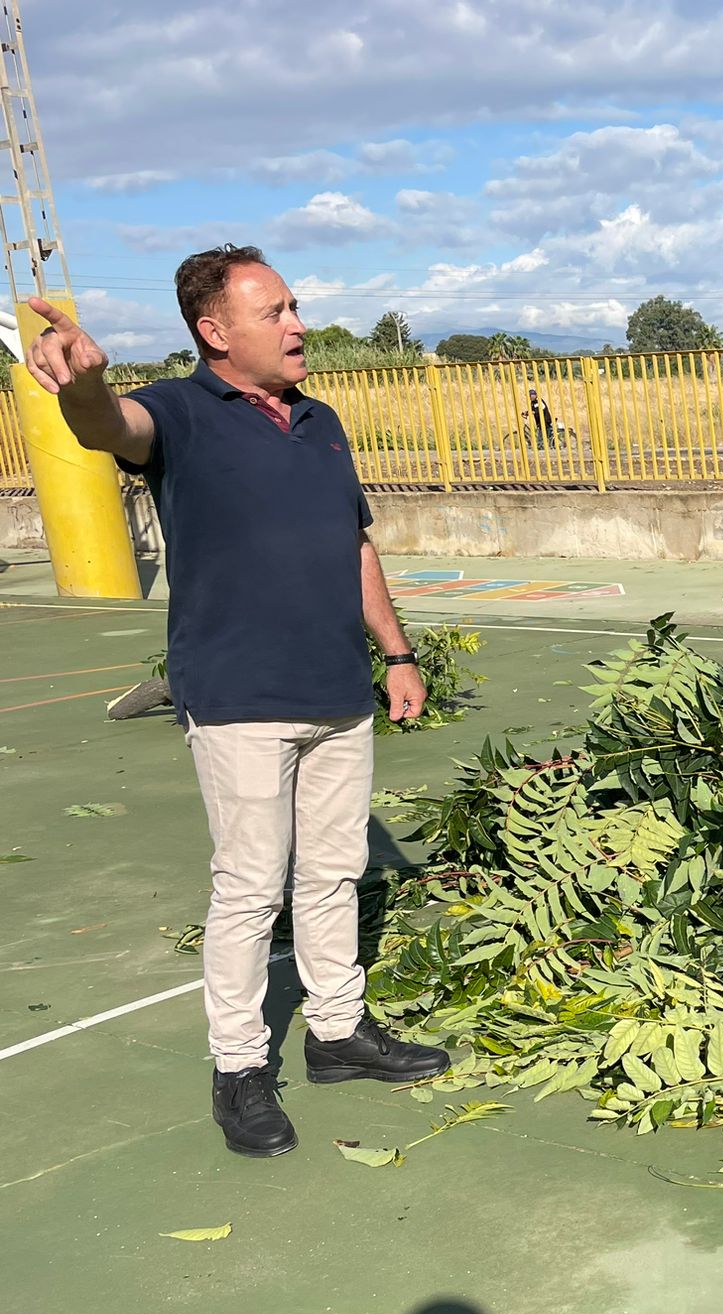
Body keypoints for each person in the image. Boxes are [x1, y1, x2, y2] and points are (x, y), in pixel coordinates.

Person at [24, 244, 451, 1155]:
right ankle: (241, 1070)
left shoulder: (323, 421)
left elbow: (355, 546)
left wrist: (399, 653)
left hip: (338, 689)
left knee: (335, 874)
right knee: (252, 888)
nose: (298, 326)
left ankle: (338, 1034)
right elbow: (108, 429)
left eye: (294, 306)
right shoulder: (177, 413)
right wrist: (85, 384)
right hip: (241, 697)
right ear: (214, 333)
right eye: (276, 314)